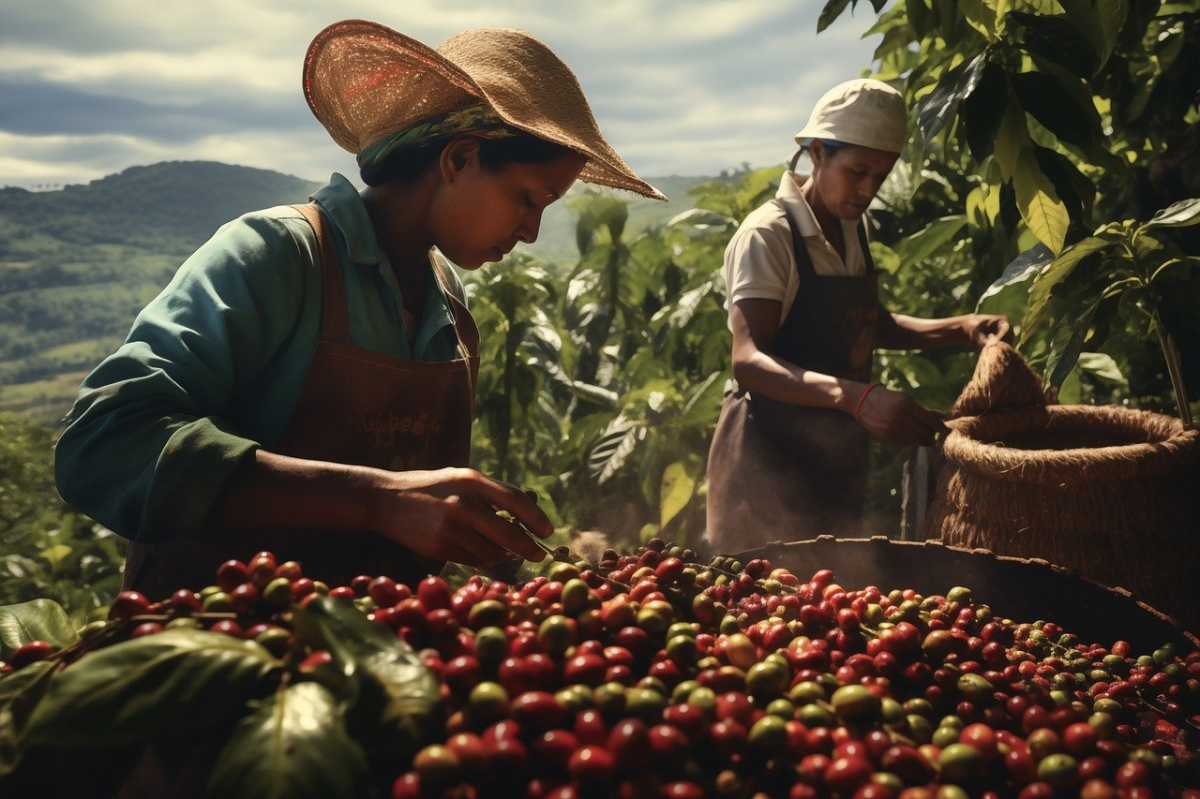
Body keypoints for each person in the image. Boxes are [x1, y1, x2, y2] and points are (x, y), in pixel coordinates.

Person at [54, 20, 665, 598]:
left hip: (371, 665)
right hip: (210, 658)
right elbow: (103, 444)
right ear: (459, 159)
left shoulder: (447, 309)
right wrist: (374, 499)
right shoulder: (278, 255)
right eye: (528, 199)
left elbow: (418, 509)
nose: (531, 231)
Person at [705, 78, 1008, 554]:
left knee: (830, 596)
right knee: (763, 605)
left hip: (831, 457)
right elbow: (748, 360)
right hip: (766, 462)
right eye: (858, 171)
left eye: (880, 177)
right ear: (819, 152)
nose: (868, 191)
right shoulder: (768, 236)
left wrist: (962, 327)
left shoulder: (849, 225)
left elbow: (866, 325)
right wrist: (859, 398)